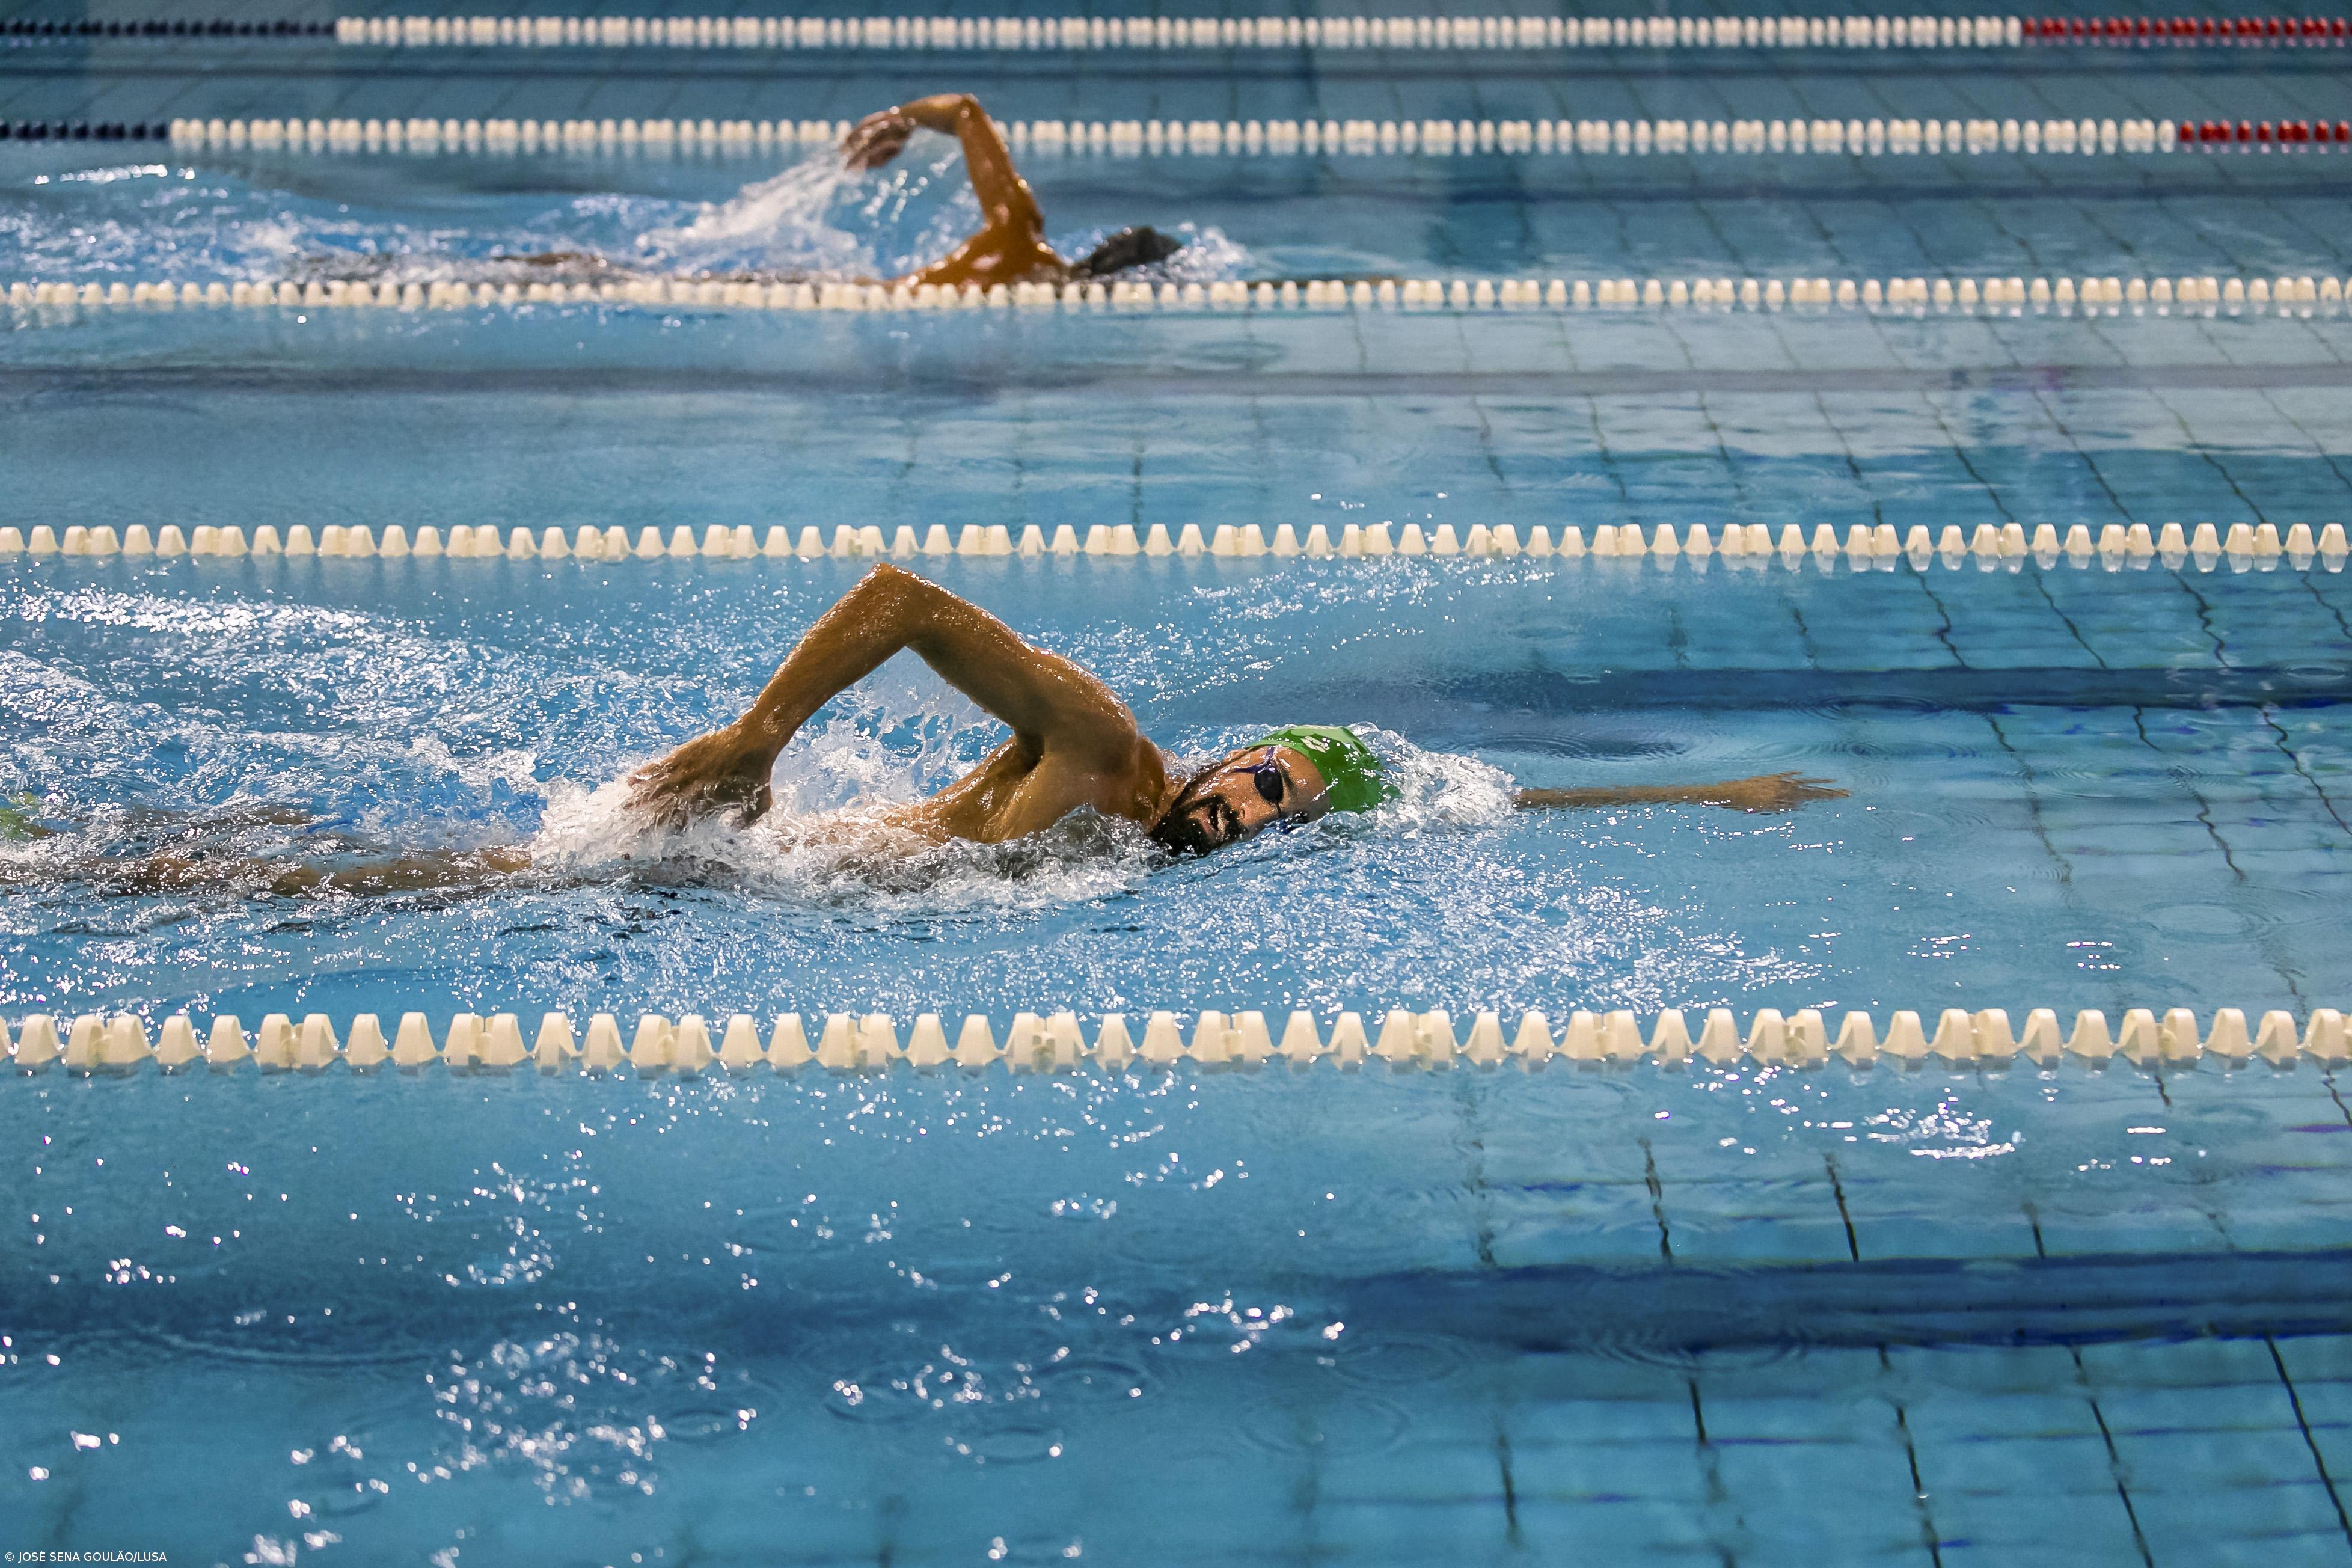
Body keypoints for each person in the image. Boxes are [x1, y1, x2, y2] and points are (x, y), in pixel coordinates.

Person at [626, 563, 1846, 856]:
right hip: (720, 869)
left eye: (1278, 810)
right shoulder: (1103, 749)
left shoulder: (1138, 852)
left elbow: (1493, 801)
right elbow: (901, 600)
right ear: (1235, 757)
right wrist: (755, 742)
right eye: (1260, 778)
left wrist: (1706, 790)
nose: (1241, 812)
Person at [839, 93, 1183, 290]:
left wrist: (900, 119)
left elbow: (964, 110)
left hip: (845, 292)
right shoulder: (1037, 283)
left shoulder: (1017, 234)